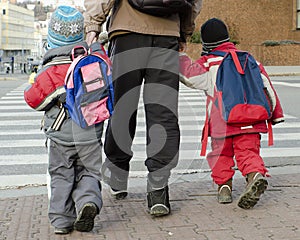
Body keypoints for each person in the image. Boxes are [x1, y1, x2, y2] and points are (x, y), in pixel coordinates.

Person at [83, 0, 202, 216]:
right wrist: (185, 30)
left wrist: (93, 24)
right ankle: (158, 188)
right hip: (167, 32)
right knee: (163, 111)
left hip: (127, 30)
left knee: (121, 107)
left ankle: (118, 174)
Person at [179, 18, 284, 209]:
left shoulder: (209, 62)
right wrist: (276, 114)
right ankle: (254, 175)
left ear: (206, 43)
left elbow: (188, 76)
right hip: (251, 119)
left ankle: (224, 189)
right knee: (248, 153)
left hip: (222, 122)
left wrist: (178, 56)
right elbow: (267, 86)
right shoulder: (250, 58)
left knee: (221, 155)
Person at [25, 6, 103, 234]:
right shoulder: (91, 64)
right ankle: (88, 201)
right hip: (90, 131)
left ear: (52, 39)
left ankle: (61, 221)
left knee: (61, 174)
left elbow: (33, 101)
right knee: (89, 171)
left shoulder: (49, 71)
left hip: (61, 136)